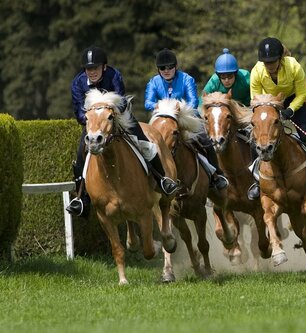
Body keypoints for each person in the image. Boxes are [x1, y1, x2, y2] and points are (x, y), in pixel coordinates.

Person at [66, 46, 178, 217]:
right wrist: (93, 117)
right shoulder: (77, 83)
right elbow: (79, 113)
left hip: (119, 118)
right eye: (88, 69)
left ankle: (163, 180)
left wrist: (108, 112)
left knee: (145, 144)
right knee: (81, 154)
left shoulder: (114, 75)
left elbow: (122, 102)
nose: (92, 72)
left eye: (95, 68)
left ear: (104, 67)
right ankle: (82, 199)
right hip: (95, 123)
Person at [247, 37, 306, 200]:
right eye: (266, 62)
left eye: (272, 61)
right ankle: (256, 182)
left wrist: (289, 110)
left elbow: (302, 94)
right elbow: (255, 100)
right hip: (268, 102)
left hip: (294, 101)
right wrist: (270, 109)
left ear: (280, 59)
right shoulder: (256, 71)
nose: (269, 66)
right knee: (255, 140)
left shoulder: (294, 66)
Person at [144, 48, 228, 190]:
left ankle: (216, 175)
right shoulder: (153, 82)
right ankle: (147, 176)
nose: (166, 70)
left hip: (186, 118)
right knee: (145, 142)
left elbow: (193, 102)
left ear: (176, 66)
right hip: (162, 119)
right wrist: (158, 105)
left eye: (170, 67)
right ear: (158, 69)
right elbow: (148, 103)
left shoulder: (187, 79)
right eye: (162, 68)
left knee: (205, 140)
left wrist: (180, 110)